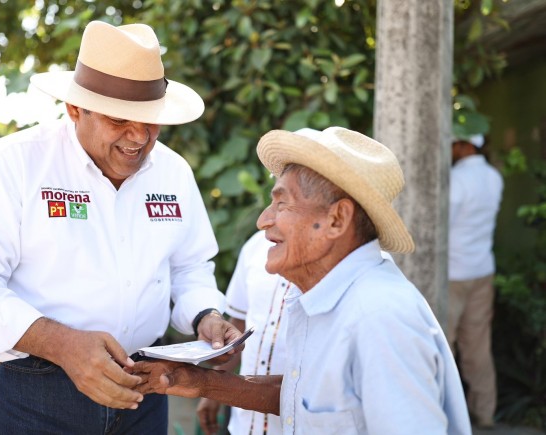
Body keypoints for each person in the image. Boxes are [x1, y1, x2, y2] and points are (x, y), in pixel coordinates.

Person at [0, 20, 241, 434]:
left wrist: (206, 316)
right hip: (40, 393)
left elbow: (189, 268)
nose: (139, 136)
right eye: (120, 119)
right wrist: (63, 345)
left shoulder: (173, 172)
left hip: (145, 387)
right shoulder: (16, 163)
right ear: (74, 109)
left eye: (150, 119)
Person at [132, 127, 472, 434]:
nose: (264, 221)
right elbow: (306, 398)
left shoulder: (379, 318)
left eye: (282, 203)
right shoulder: (324, 299)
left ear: (336, 219)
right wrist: (200, 382)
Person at [197, 230, 288, 435]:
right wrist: (215, 391)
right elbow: (239, 323)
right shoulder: (256, 246)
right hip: (244, 424)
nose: (264, 219)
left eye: (283, 202)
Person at [447, 133, 503, 429]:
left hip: (453, 274)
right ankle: (485, 413)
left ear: (466, 145)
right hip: (482, 269)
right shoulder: (494, 177)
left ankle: (439, 415)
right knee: (478, 346)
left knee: (443, 345)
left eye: (455, 143)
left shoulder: (456, 180)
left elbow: (443, 225)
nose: (451, 149)